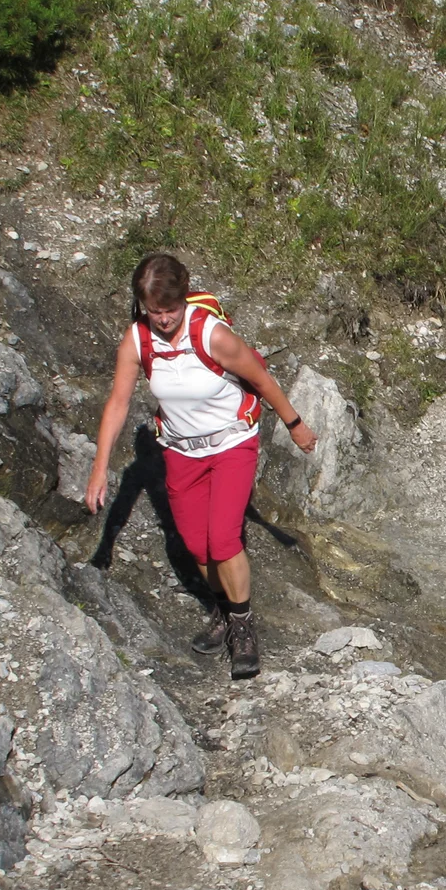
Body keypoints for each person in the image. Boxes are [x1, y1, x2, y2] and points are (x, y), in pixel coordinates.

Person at [84, 254, 317, 679]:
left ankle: (243, 626)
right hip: (180, 450)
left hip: (232, 443)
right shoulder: (137, 341)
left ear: (183, 298)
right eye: (154, 311)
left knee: (223, 539)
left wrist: (295, 424)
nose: (164, 319)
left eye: (170, 309)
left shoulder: (212, 335)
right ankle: (223, 613)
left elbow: (262, 382)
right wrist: (100, 468)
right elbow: (117, 403)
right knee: (196, 544)